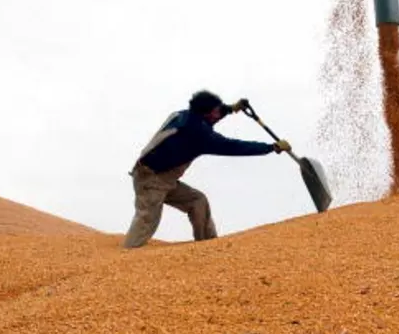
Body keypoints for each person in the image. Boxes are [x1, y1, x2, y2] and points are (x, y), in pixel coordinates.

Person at [122, 90, 290, 248]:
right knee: (147, 221)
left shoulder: (185, 115)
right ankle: (124, 258)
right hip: (150, 180)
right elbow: (234, 147)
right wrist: (270, 148)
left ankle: (209, 247)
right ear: (206, 114)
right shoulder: (199, 135)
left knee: (198, 201)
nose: (218, 114)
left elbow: (211, 116)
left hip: (165, 179)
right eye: (216, 111)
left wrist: (231, 109)